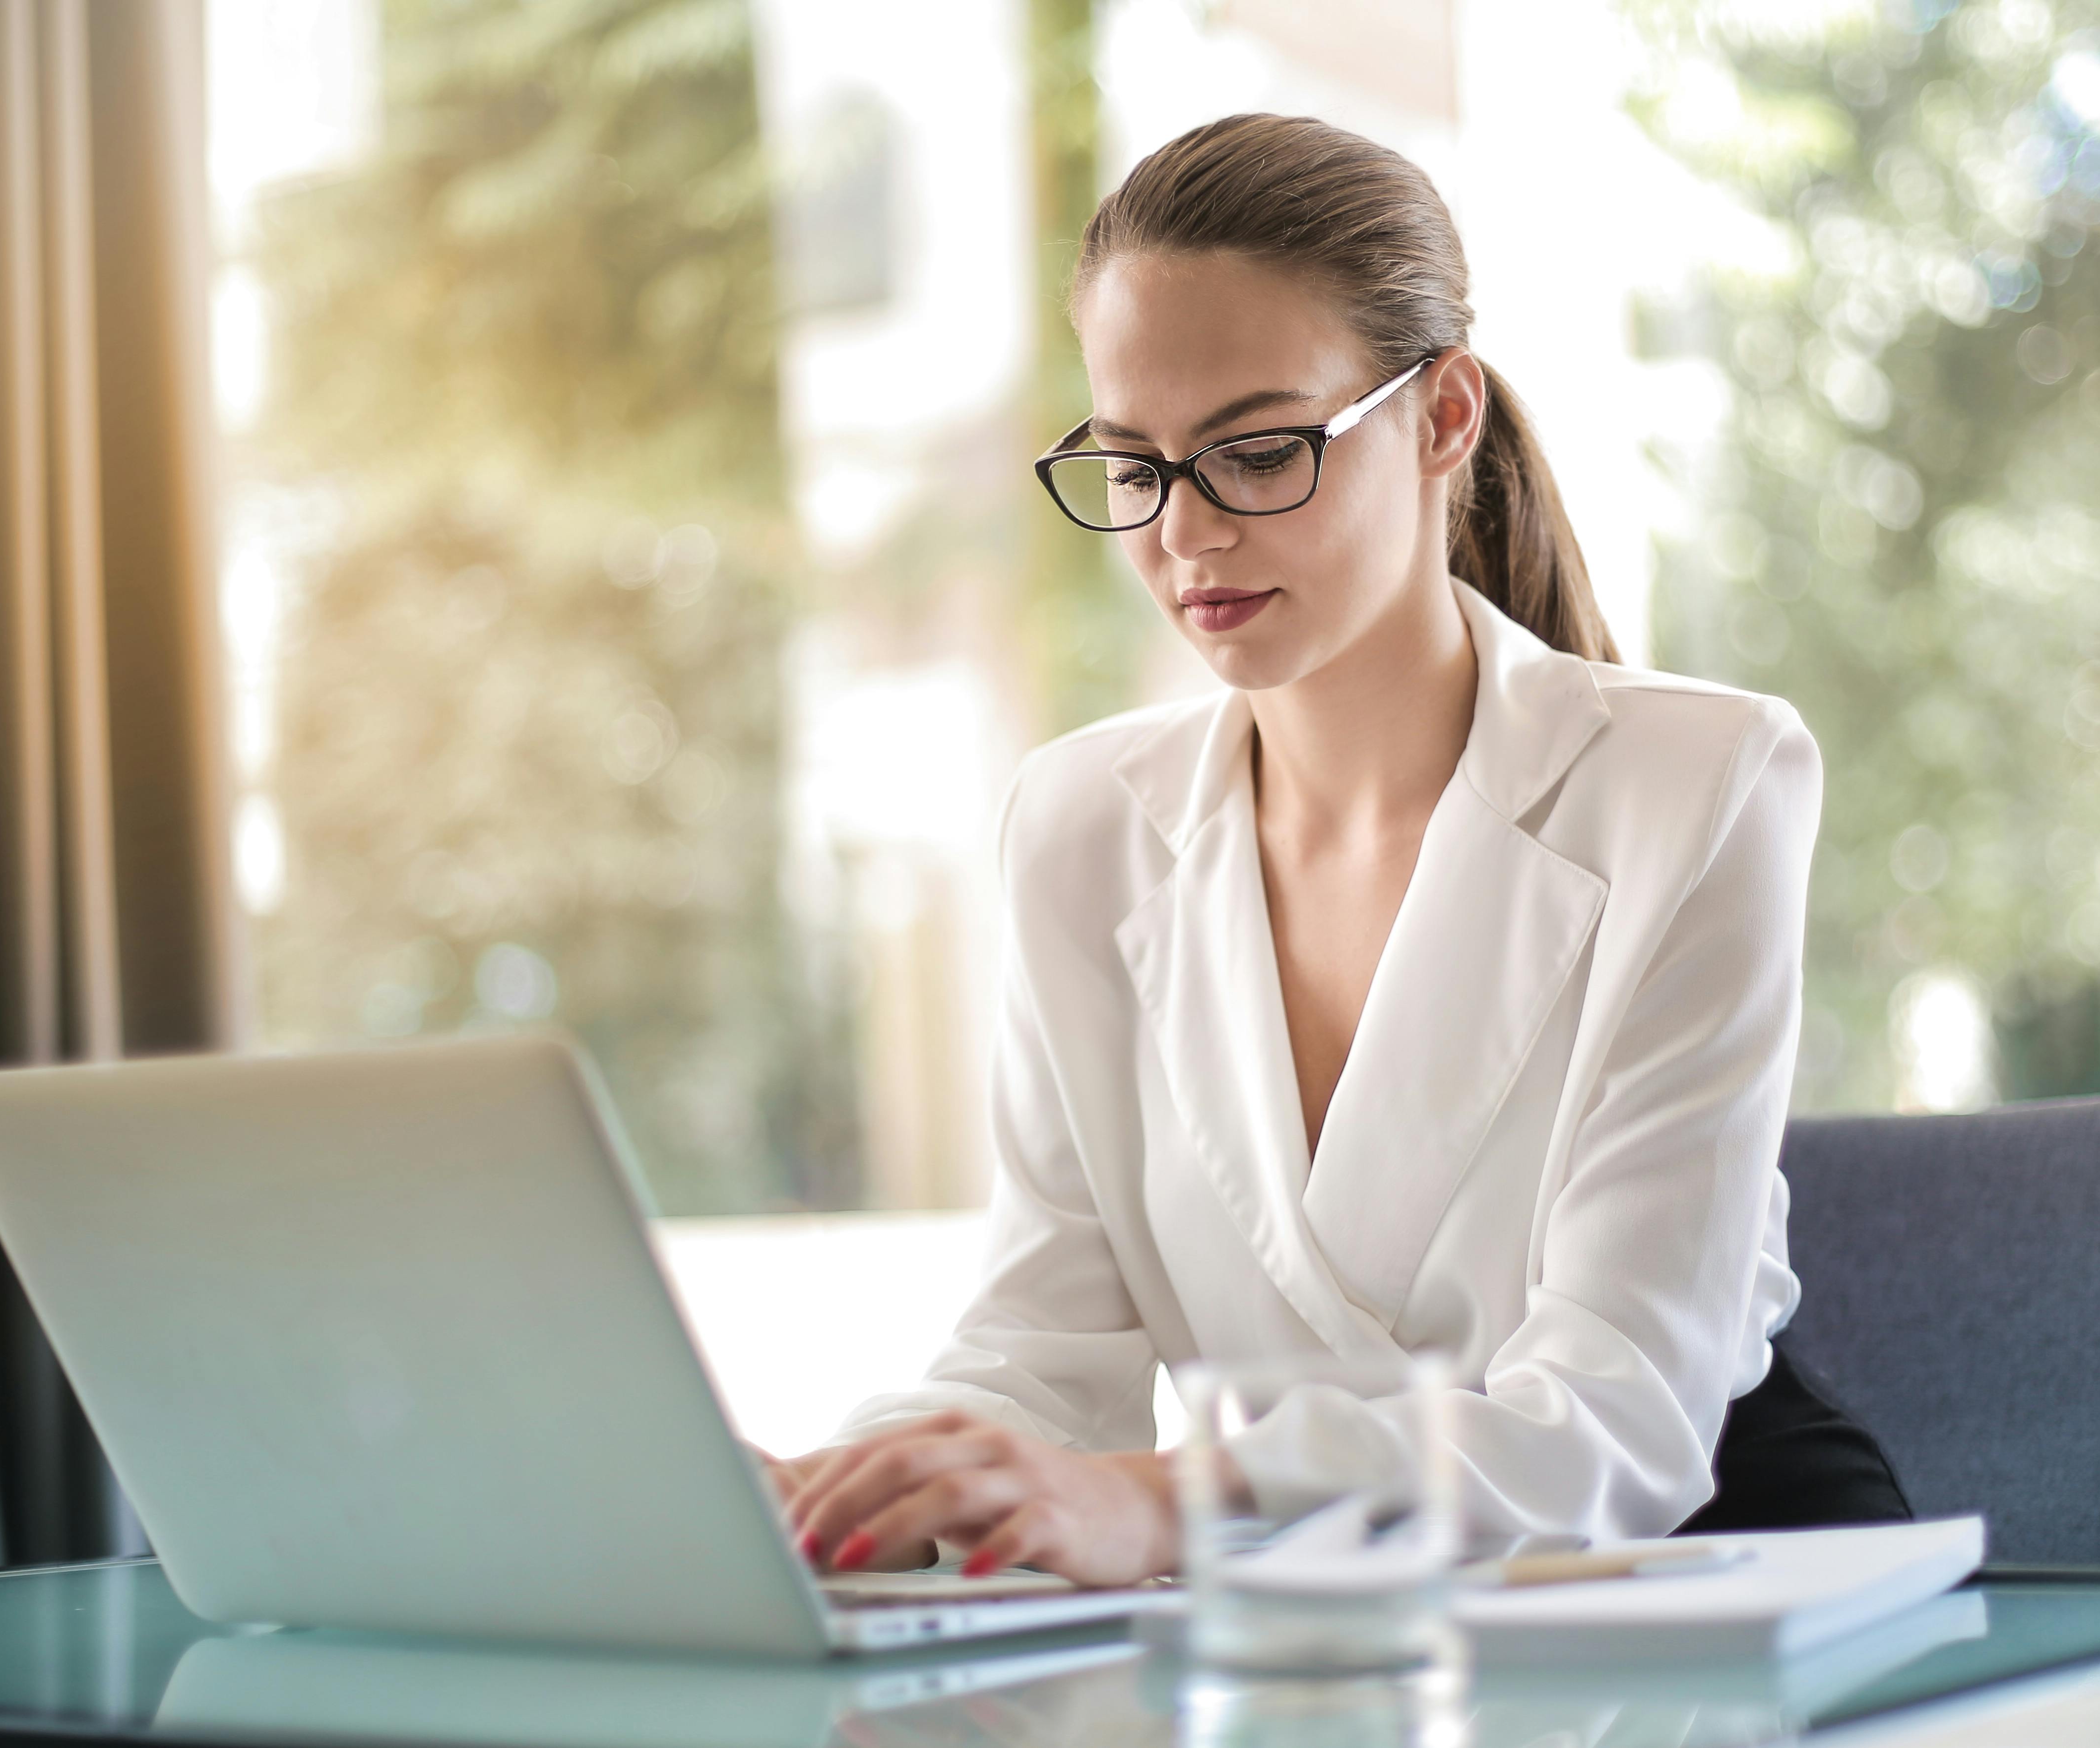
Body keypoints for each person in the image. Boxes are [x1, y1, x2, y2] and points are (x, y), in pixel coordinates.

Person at [770, 113, 1908, 1587]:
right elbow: (1040, 1353)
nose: (1186, 533)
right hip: (1320, 1617)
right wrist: (839, 1494)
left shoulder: (1700, 782)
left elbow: (1614, 1424)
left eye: (1257, 452)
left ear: (1444, 419)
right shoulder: (1080, 827)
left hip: (1695, 1581)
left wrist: (1169, 1507)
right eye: (1135, 463)